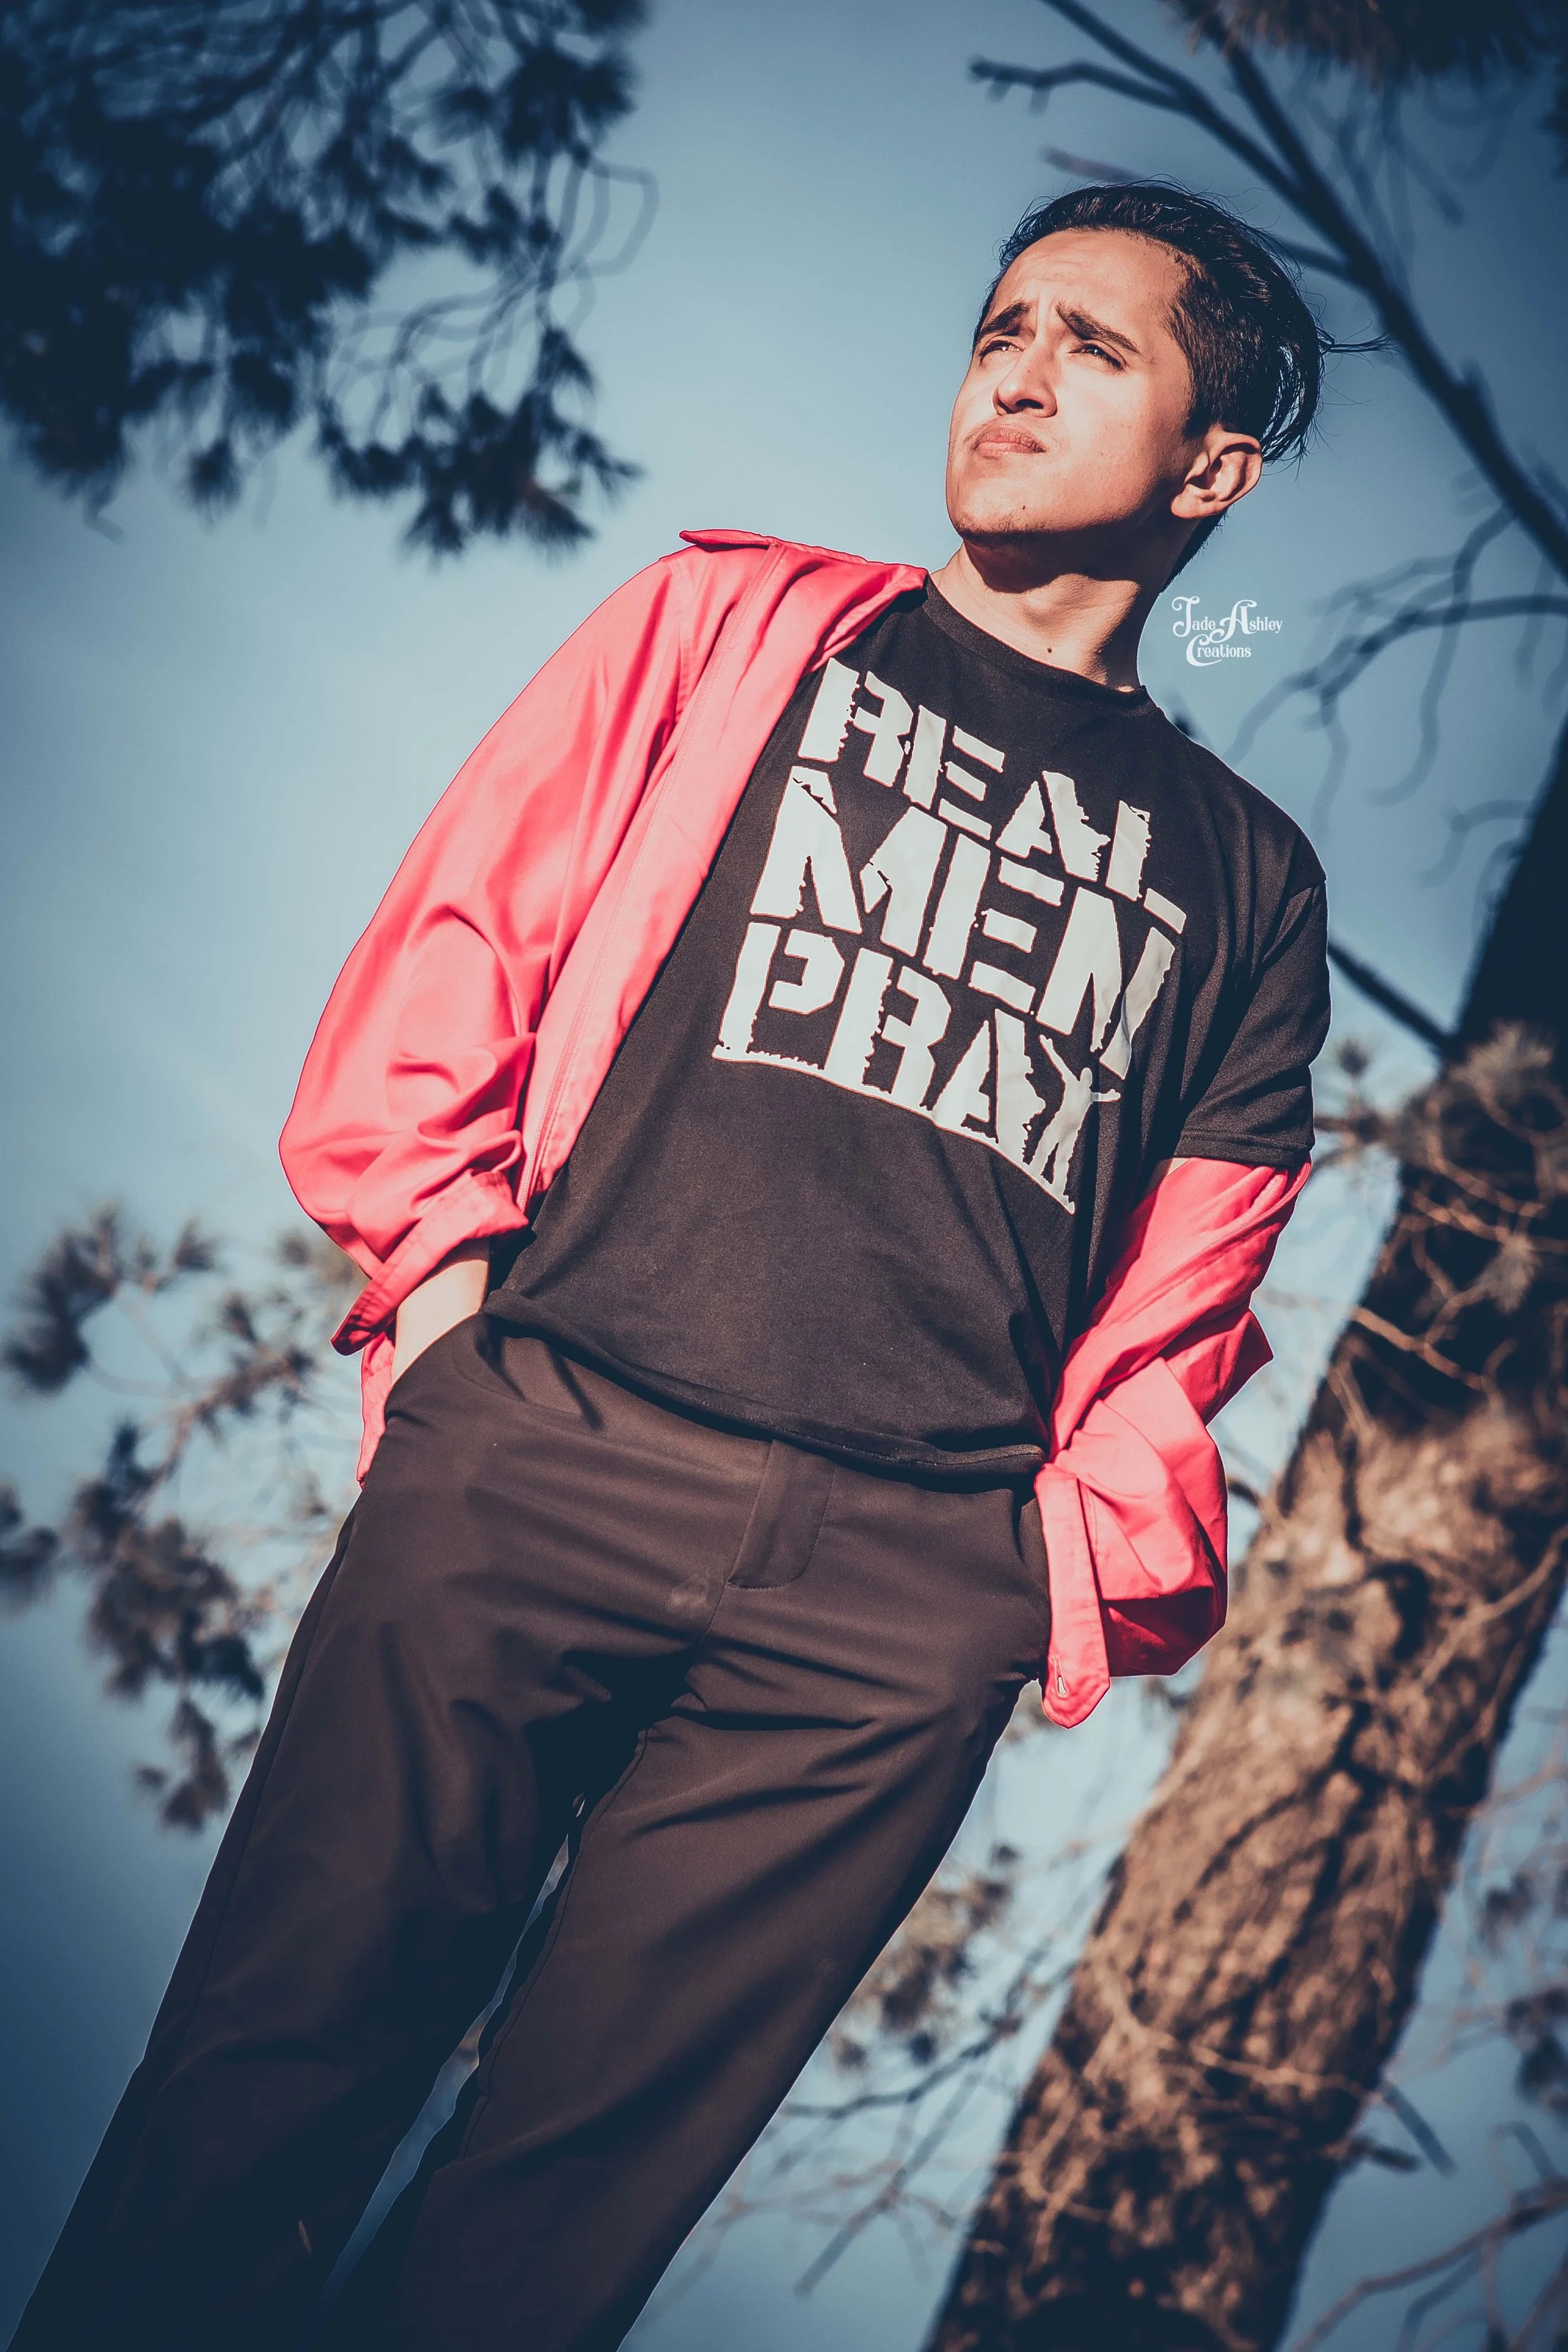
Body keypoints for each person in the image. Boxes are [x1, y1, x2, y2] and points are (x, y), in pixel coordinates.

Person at [11, 182, 1332, 2352]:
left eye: (1094, 347)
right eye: (1001, 323)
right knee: (252, 2099)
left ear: (1211, 470)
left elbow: (1184, 1301)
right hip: (535, 1453)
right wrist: (448, 1337)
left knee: (541, 2254)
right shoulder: (740, 627)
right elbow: (462, 949)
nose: (1011, 366)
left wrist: (1029, 1584)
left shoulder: (1249, 877)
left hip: (885, 1622)